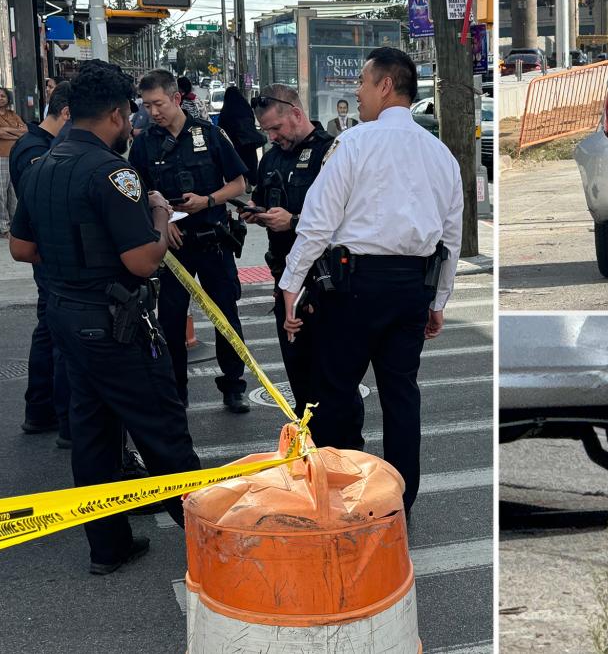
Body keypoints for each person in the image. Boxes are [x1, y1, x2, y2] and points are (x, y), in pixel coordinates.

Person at [8, 59, 201, 574]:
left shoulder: (41, 166)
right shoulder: (114, 174)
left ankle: (108, 546)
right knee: (162, 432)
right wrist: (159, 212)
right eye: (130, 116)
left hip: (66, 316)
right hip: (115, 323)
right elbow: (143, 259)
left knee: (93, 437)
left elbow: (22, 248)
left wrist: (74, 261)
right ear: (117, 114)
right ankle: (216, 545)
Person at [278, 47, 463, 513]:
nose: (356, 92)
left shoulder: (355, 143)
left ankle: (344, 493)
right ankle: (401, 498)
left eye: (362, 82)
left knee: (337, 390)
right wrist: (439, 300)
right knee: (401, 394)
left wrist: (290, 286)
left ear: (385, 85)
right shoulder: (440, 153)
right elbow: (452, 237)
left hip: (354, 286)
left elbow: (317, 222)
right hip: (413, 288)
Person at [130, 69, 250, 412]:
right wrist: (162, 218)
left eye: (158, 104)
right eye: (147, 105)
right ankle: (176, 391)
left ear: (176, 98)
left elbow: (239, 183)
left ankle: (233, 385)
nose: (153, 112)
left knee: (225, 317)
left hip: (213, 241)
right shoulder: (144, 143)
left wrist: (208, 200)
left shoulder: (210, 135)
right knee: (170, 322)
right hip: (172, 249)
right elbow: (135, 192)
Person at [247, 84, 336, 416]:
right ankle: (308, 448)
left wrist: (294, 221)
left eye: (276, 128)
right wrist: (255, 213)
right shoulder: (270, 158)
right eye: (266, 130)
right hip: (284, 281)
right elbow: (261, 197)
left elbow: (344, 219)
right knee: (298, 376)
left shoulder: (331, 153)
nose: (271, 136)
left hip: (325, 284)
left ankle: (342, 452)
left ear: (296, 114)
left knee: (332, 382)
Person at [9, 81, 72, 443]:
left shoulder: (43, 145)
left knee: (49, 330)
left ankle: (43, 409)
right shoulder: (35, 149)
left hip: (48, 250)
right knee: (55, 333)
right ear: (65, 114)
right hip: (47, 252)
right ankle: (50, 411)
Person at [0, 86, 26, 236]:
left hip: (14, 157)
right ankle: (5, 228)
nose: (0, 98)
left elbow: (25, 131)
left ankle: (16, 227)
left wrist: (6, 130)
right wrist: (15, 133)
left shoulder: (13, 115)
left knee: (14, 193)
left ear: (7, 99)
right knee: (0, 193)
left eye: (3, 96)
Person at [218, 86, 265, 186]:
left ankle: (242, 181)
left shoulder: (226, 110)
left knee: (238, 162)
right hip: (248, 142)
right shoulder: (245, 107)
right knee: (251, 161)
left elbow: (221, 128)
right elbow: (251, 121)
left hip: (234, 143)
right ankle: (250, 181)